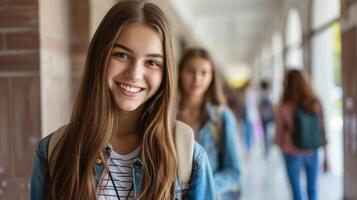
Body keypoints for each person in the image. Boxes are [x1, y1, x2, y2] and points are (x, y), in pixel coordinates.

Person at [30, 1, 215, 199]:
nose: (135, 74)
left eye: (152, 62)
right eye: (122, 54)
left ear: (165, 74)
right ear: (100, 56)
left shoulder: (190, 159)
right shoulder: (52, 153)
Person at [177, 48, 241, 199]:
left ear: (212, 76)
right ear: (179, 73)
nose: (197, 79)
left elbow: (233, 170)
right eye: (190, 71)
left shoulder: (221, 117)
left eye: (204, 72)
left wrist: (202, 187)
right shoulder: (167, 115)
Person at [274, 69, 329, 200]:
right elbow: (323, 131)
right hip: (312, 151)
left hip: (291, 152)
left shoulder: (283, 106)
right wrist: (327, 157)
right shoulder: (315, 103)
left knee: (297, 194)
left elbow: (278, 135)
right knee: (313, 191)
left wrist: (282, 150)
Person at [258, 80, 274, 158]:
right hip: (269, 116)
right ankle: (268, 148)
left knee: (266, 133)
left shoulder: (263, 95)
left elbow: (260, 107)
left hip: (265, 117)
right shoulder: (270, 95)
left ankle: (267, 148)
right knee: (268, 132)